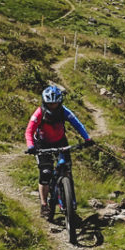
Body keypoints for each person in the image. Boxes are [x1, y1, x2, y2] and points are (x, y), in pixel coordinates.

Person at [25, 85, 92, 218]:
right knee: (45, 173)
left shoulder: (64, 111)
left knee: (66, 169)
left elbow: (77, 124)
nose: (53, 106)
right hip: (42, 144)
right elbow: (29, 130)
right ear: (45, 102)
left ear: (60, 102)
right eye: (50, 103)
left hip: (61, 142)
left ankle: (70, 203)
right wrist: (31, 146)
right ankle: (44, 205)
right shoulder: (39, 112)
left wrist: (87, 139)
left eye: (55, 103)